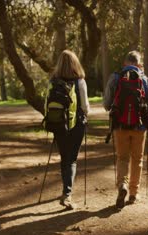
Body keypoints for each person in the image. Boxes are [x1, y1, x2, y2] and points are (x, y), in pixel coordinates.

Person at [103, 51, 148, 209]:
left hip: (119, 125)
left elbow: (107, 104)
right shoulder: (145, 80)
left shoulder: (115, 78)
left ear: (124, 63)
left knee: (122, 158)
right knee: (137, 159)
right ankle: (133, 193)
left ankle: (122, 186)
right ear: (139, 64)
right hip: (140, 127)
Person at [50, 50, 90, 209]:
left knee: (64, 157)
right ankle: (67, 193)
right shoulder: (80, 82)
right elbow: (85, 106)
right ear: (75, 63)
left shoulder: (53, 81)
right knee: (72, 159)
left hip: (58, 123)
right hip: (76, 124)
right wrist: (87, 115)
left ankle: (66, 189)